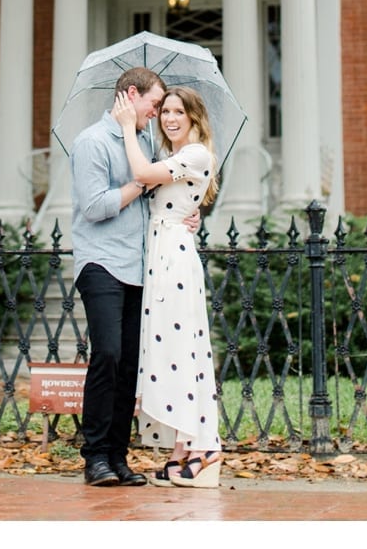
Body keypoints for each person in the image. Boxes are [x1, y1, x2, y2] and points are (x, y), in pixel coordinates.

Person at [114, 85, 224, 488]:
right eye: (165, 112)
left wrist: (128, 128)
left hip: (174, 258)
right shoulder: (176, 157)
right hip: (161, 252)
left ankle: (207, 446)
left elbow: (143, 176)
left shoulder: (194, 154)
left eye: (178, 111)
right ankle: (183, 448)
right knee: (171, 351)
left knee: (183, 350)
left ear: (194, 117)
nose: (170, 118)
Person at [70, 66, 167, 487]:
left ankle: (118, 456)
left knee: (129, 364)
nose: (158, 113)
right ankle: (94, 457)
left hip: (138, 265)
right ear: (131, 95)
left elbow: (160, 191)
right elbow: (93, 207)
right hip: (101, 263)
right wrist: (138, 185)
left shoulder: (144, 141)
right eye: (154, 104)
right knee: (107, 354)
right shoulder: (91, 142)